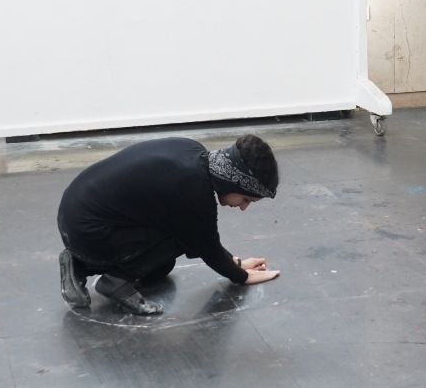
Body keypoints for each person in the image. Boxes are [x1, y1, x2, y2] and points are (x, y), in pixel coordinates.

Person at [56, 134, 281, 315]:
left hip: (76, 214)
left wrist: (235, 262)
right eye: (246, 199)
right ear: (233, 181)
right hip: (90, 230)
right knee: (181, 237)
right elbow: (206, 246)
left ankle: (79, 264)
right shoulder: (194, 188)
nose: (243, 207)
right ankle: (116, 281)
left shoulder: (192, 151)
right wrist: (241, 275)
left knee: (161, 268)